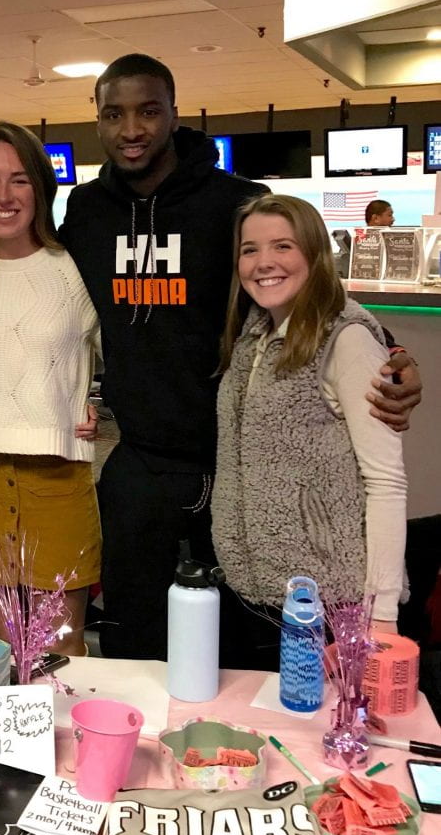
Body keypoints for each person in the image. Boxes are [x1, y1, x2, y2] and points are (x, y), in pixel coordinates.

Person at [60, 52, 422, 660]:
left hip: (235, 469)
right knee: (139, 644)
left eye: (149, 111)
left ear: (175, 114)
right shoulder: (86, 210)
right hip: (141, 466)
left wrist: (389, 349)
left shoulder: (234, 201)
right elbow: (54, 307)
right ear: (96, 121)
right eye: (113, 114)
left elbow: (304, 289)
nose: (131, 130)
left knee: (239, 656)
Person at [212, 194, 406, 667]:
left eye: (283, 246)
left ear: (315, 254)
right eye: (250, 249)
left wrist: (381, 616)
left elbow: (386, 482)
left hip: (329, 604)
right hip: (256, 589)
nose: (264, 263)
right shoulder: (253, 336)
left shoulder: (348, 339)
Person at [0, 121, 101, 656]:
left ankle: (72, 742)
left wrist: (99, 403)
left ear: (41, 187)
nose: (4, 196)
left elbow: (127, 359)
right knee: (9, 646)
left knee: (59, 649)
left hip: (57, 475)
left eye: (19, 180)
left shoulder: (75, 268)